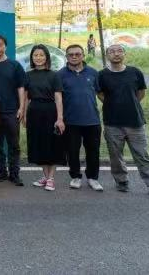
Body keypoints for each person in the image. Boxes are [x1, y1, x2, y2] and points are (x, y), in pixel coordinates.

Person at [98, 44, 149, 201]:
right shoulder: (102, 75)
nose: (116, 54)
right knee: (115, 156)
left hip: (135, 122)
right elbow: (100, 94)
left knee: (142, 155)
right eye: (112, 51)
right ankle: (121, 181)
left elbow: (141, 93)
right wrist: (113, 105)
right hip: (112, 122)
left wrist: (130, 105)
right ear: (107, 55)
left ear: (124, 54)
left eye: (119, 51)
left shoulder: (135, 72)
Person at [58, 44, 103, 191]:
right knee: (72, 151)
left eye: (77, 54)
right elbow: (57, 98)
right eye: (71, 54)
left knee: (93, 151)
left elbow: (100, 94)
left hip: (92, 120)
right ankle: (75, 176)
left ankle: (93, 178)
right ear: (66, 57)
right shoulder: (60, 75)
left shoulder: (93, 73)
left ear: (83, 55)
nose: (74, 57)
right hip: (71, 121)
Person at [24, 44, 66, 192]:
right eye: (35, 55)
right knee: (38, 145)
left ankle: (51, 178)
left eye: (41, 55)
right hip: (34, 112)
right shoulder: (28, 75)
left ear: (47, 57)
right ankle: (46, 177)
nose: (38, 58)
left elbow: (58, 97)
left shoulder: (54, 75)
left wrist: (60, 118)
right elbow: (26, 97)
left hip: (50, 112)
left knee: (52, 145)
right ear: (32, 58)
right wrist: (24, 115)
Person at [0, 34, 26, 186]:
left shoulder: (15, 65)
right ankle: (1, 171)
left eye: (0, 44)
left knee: (13, 144)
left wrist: (21, 108)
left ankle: (14, 174)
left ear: (5, 46)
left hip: (12, 111)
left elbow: (21, 87)